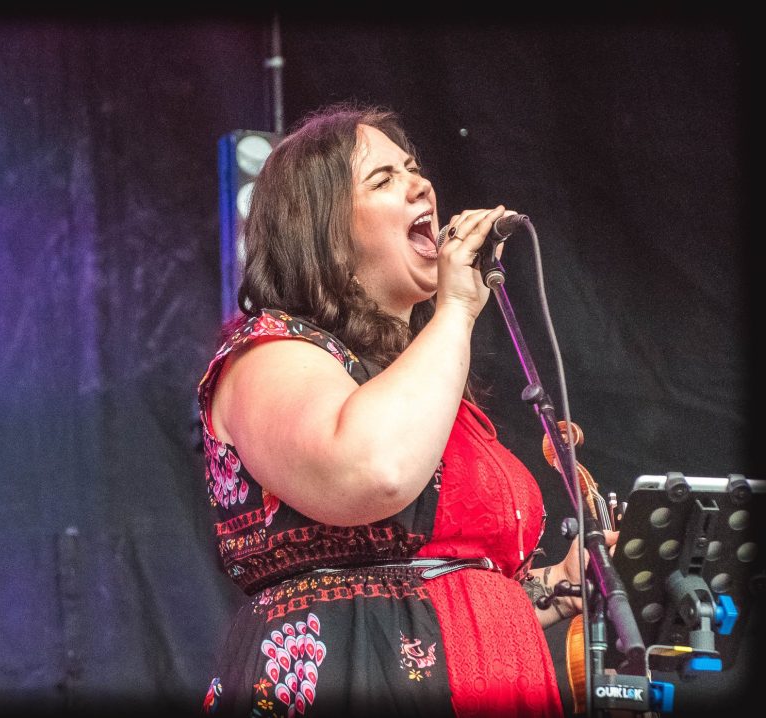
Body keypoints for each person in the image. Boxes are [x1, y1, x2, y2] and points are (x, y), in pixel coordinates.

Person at [196, 102, 616, 717]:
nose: (421, 185)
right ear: (323, 229)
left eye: (415, 169)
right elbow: (373, 472)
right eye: (384, 179)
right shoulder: (267, 352)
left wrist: (555, 586)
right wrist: (456, 310)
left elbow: (443, 590)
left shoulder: (419, 383)